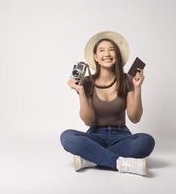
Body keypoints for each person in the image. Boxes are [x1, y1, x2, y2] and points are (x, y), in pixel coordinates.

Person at [60, 31, 155, 176]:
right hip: (95, 135)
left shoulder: (127, 80)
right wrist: (81, 92)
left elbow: (134, 118)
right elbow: (88, 120)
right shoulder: (86, 82)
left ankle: (91, 159)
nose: (107, 53)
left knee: (146, 141)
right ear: (95, 57)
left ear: (117, 56)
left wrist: (137, 87)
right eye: (102, 50)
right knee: (67, 137)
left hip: (121, 136)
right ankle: (120, 163)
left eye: (111, 50)